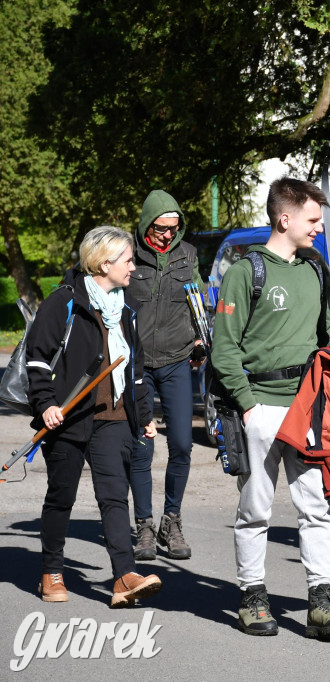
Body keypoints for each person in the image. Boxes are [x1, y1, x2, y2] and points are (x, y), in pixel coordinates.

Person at [211, 177, 330, 638]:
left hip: (307, 411)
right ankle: (252, 598)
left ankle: (321, 602)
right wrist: (248, 407)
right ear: (284, 218)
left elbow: (320, 342)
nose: (318, 228)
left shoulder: (314, 271)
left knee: (317, 507)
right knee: (255, 509)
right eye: (313, 220)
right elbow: (224, 350)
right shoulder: (244, 272)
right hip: (259, 408)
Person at [26, 225, 163, 607]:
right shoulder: (64, 302)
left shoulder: (125, 309)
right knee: (61, 497)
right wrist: (46, 404)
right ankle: (51, 570)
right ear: (104, 263)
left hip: (114, 416)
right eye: (128, 260)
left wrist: (145, 413)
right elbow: (37, 359)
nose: (134, 267)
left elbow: (134, 368)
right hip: (68, 417)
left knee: (115, 496)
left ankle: (124, 575)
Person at [127, 190, 205, 562]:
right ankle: (142, 525)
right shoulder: (128, 253)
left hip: (177, 360)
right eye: (160, 229)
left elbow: (200, 301)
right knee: (142, 447)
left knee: (182, 445)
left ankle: (170, 520)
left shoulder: (187, 255)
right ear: (147, 224)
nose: (167, 236)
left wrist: (204, 339)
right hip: (137, 364)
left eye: (173, 229)